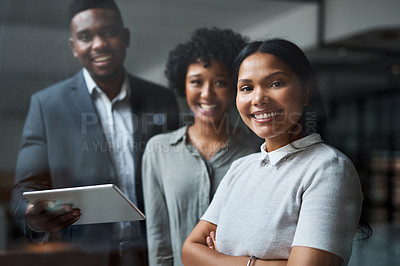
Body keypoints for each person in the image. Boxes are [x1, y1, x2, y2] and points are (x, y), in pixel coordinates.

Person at [10, 0, 179, 265]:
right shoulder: (47, 106)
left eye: (109, 32)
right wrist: (32, 217)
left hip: (156, 252)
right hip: (84, 257)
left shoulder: (161, 99)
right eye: (86, 37)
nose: (99, 44)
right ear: (73, 47)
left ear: (125, 37)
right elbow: (25, 190)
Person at [182, 38, 372, 266]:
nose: (258, 98)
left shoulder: (328, 168)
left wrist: (218, 258)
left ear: (305, 92)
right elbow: (189, 252)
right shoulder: (241, 168)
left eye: (275, 83)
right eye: (246, 88)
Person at [142, 27, 258, 266]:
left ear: (236, 85)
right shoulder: (158, 151)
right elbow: (158, 236)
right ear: (182, 86)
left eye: (220, 82)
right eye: (196, 82)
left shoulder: (257, 150)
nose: (207, 94)